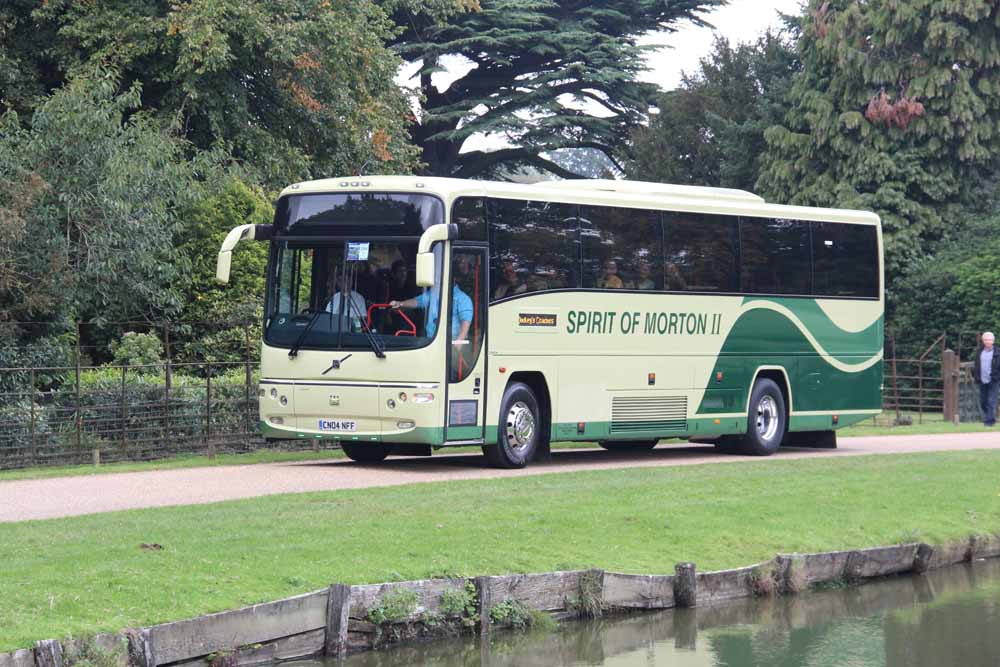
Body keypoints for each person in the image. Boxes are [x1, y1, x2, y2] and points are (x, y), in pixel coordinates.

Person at [391, 285, 472, 344]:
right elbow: (418, 301)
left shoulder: (463, 298)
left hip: (449, 343)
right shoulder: (434, 293)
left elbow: (465, 322)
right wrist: (400, 303)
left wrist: (459, 342)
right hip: (430, 340)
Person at [973, 331, 1000, 426]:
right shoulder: (979, 351)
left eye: (989, 340)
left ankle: (988, 422)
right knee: (983, 402)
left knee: (991, 401)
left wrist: (997, 376)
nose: (987, 341)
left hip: (994, 380)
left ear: (993, 340)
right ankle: (991, 418)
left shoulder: (998, 352)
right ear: (983, 341)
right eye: (986, 340)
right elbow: (976, 365)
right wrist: (976, 376)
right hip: (982, 380)